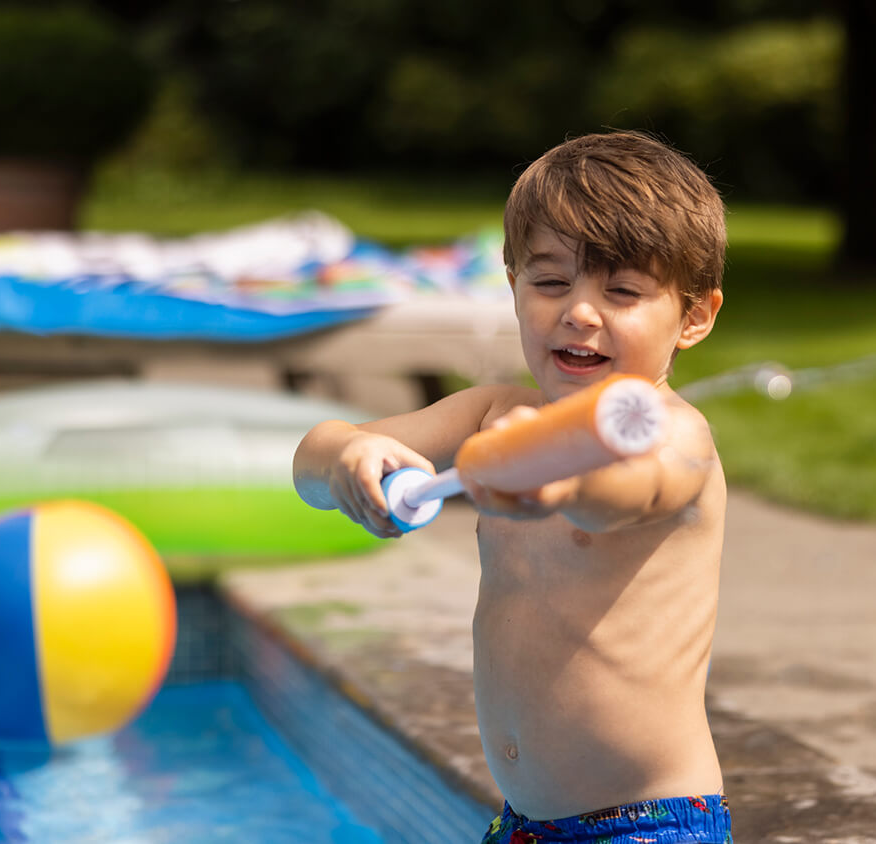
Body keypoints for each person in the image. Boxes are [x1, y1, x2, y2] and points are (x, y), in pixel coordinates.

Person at [293, 130, 731, 843]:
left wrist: (557, 487)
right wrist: (349, 454)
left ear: (694, 316)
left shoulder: (673, 433)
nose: (579, 312)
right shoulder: (496, 412)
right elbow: (311, 455)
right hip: (526, 824)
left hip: (648, 825)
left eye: (621, 291)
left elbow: (632, 491)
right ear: (514, 285)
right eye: (551, 281)